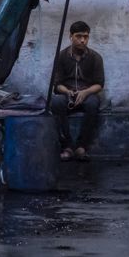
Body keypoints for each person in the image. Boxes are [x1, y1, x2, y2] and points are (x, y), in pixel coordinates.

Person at [50, 21, 104, 161]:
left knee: (93, 104)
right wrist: (68, 92)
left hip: (87, 94)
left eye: (85, 37)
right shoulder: (61, 56)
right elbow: (57, 85)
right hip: (67, 94)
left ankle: (82, 147)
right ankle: (67, 146)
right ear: (71, 36)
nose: (82, 40)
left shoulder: (95, 58)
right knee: (56, 102)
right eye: (78, 36)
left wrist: (85, 92)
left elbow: (99, 84)